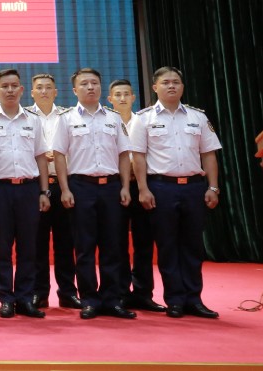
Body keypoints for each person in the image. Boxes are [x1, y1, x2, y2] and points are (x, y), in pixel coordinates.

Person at [130, 67, 222, 319]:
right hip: (161, 187)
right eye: (166, 82)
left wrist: (212, 187)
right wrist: (143, 188)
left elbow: (209, 154)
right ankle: (175, 300)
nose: (172, 86)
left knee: (192, 245)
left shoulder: (198, 117)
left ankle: (194, 299)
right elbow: (138, 156)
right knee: (168, 246)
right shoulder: (143, 118)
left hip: (194, 187)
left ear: (182, 87)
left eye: (176, 82)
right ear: (154, 87)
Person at [50, 68, 135, 319]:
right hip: (80, 186)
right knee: (84, 246)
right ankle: (89, 299)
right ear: (75, 90)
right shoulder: (65, 119)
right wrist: (64, 189)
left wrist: (125, 186)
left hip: (111, 187)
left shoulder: (113, 117)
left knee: (112, 246)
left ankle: (112, 299)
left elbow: (123, 154)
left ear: (101, 88)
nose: (90, 87)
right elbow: (59, 156)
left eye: (95, 83)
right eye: (84, 84)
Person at [0, 69, 51, 319]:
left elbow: (41, 157)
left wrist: (44, 191)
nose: (9, 90)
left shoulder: (33, 120)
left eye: (14, 86)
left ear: (21, 90)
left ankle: (26, 299)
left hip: (29, 190)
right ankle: (6, 298)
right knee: (3, 249)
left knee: (29, 248)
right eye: (4, 86)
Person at [108, 79, 166, 312]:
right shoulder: (107, 122)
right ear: (109, 99)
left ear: (133, 98)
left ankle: (143, 293)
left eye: (126, 94)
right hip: (115, 188)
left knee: (144, 241)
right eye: (117, 95)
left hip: (142, 186)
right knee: (117, 242)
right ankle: (120, 292)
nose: (122, 98)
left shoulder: (144, 121)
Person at [27, 74, 81, 309]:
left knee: (65, 241)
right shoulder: (24, 116)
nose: (44, 91)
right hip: (36, 186)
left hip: (64, 185)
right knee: (36, 242)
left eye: (49, 87)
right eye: (39, 88)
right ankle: (39, 292)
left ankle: (68, 292)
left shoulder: (68, 116)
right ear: (31, 92)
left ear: (56, 92)